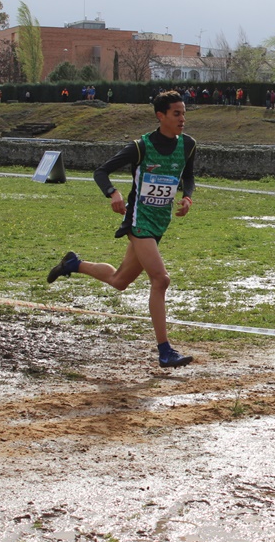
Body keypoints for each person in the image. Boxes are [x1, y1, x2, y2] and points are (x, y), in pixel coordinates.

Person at [47, 90, 197, 369]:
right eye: (176, 113)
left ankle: (73, 264)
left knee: (119, 281)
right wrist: (113, 193)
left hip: (160, 223)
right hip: (139, 222)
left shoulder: (187, 145)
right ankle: (165, 351)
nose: (182, 119)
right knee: (161, 280)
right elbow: (101, 171)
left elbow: (188, 175)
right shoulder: (141, 146)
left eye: (184, 113)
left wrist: (187, 196)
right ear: (160, 116)